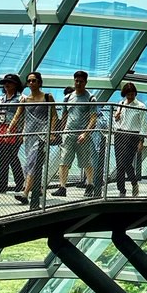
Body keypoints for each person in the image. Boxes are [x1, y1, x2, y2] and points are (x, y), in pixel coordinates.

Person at [10, 72, 53, 206]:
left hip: (42, 135)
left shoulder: (47, 97)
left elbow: (54, 116)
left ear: (40, 82)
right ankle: (37, 187)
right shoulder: (25, 100)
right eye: (29, 81)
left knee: (32, 162)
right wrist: (10, 128)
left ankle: (25, 193)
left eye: (34, 81)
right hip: (29, 135)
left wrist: (51, 132)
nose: (31, 83)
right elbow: (18, 115)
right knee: (31, 162)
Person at [55, 70, 97, 198]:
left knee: (86, 161)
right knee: (64, 161)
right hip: (68, 133)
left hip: (82, 135)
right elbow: (65, 115)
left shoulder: (90, 98)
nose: (78, 83)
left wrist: (85, 133)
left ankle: (90, 184)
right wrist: (61, 133)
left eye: (81, 81)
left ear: (86, 82)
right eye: (76, 81)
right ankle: (62, 187)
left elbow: (93, 118)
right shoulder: (68, 97)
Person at [0, 73, 24, 193]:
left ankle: (20, 183)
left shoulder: (21, 98)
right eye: (5, 83)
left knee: (12, 156)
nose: (6, 85)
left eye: (9, 82)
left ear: (16, 84)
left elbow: (23, 117)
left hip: (14, 130)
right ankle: (2, 185)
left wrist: (22, 133)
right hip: (1, 129)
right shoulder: (0, 99)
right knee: (3, 158)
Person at [113, 81, 147, 196]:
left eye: (132, 94)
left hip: (133, 136)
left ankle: (134, 183)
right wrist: (116, 117)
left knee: (126, 162)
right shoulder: (121, 103)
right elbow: (116, 121)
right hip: (120, 135)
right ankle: (121, 190)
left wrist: (141, 141)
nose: (131, 97)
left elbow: (143, 125)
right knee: (119, 165)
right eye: (128, 94)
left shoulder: (140, 106)